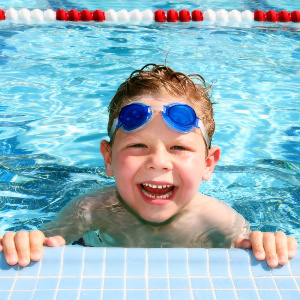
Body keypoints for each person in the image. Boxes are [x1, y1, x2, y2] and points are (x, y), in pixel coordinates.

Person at [0, 64, 298, 268]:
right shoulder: (90, 209)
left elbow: (248, 253)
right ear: (108, 158)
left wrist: (267, 244)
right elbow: (45, 242)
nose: (158, 162)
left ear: (208, 164)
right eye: (138, 146)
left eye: (179, 148)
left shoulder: (218, 220)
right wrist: (26, 241)